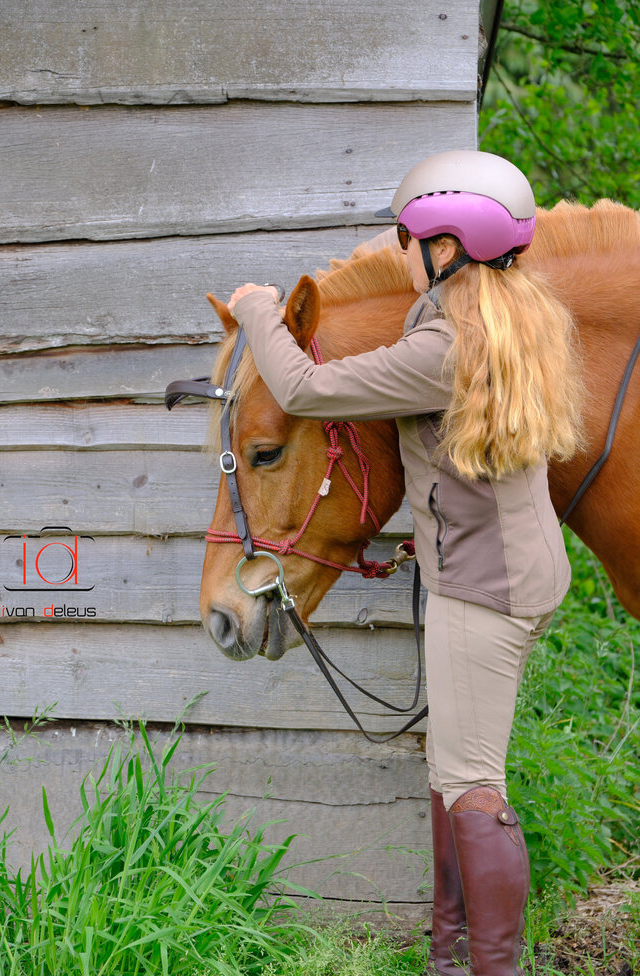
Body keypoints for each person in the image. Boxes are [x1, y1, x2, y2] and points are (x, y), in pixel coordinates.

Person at [226, 150, 583, 976]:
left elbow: (307, 392)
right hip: (512, 564)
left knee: (469, 786)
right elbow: (473, 456)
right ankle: (448, 958)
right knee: (452, 765)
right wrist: (432, 526)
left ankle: (485, 967)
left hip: (484, 588)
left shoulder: (442, 344)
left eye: (408, 238)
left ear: (449, 244)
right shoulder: (510, 310)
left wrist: (257, 316)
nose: (401, 250)